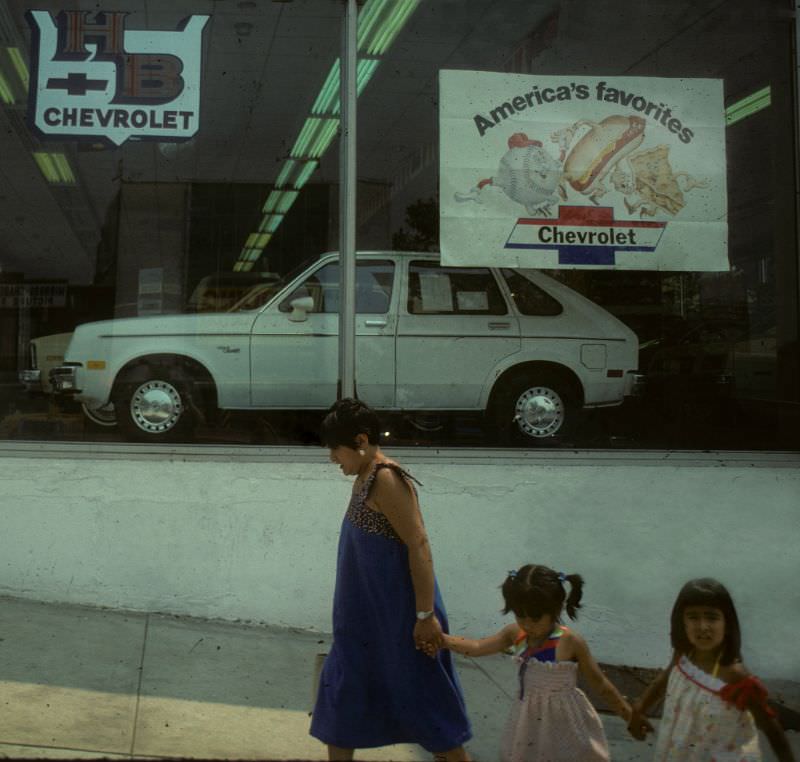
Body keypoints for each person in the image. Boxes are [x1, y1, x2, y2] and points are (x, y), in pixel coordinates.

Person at [309, 398, 472, 761]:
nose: (333, 459)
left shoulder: (387, 480)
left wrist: (424, 617)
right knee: (342, 701)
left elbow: (419, 546)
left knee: (432, 712)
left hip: (402, 621)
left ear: (361, 441)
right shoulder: (364, 478)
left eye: (336, 450)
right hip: (363, 623)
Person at [432, 564, 631, 762]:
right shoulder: (515, 634)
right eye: (520, 616)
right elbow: (476, 647)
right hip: (528, 720)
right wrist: (442, 639)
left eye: (535, 618)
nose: (527, 624)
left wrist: (628, 713)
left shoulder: (569, 641)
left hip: (566, 721)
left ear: (556, 608)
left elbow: (600, 683)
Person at [627, 577, 795, 761]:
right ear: (682, 622)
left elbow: (771, 728)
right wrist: (639, 708)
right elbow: (665, 678)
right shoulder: (684, 654)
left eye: (711, 617)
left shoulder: (735, 675)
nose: (702, 626)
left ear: (727, 624)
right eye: (693, 617)